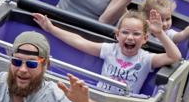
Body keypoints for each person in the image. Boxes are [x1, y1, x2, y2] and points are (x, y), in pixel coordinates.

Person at [33, 10, 181, 95]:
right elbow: (80, 42)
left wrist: (160, 33)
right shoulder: (110, 50)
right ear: (117, 35)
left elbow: (175, 56)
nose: (130, 37)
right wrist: (51, 29)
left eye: (136, 34)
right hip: (99, 97)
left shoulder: (147, 59)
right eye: (125, 32)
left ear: (145, 38)